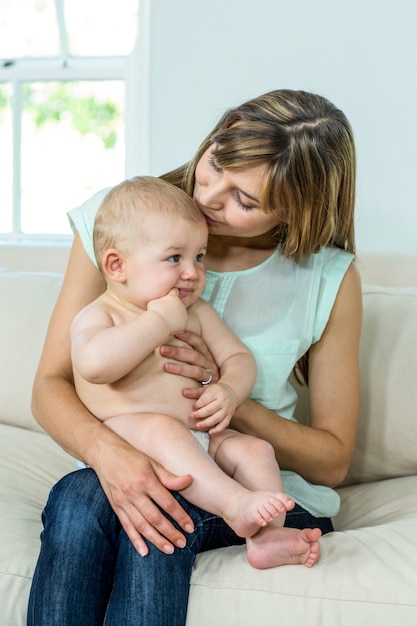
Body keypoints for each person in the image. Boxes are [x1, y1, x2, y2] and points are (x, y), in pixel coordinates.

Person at [28, 89, 362, 626]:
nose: (209, 196)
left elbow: (333, 460)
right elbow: (52, 383)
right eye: (216, 165)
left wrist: (226, 397)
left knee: (163, 511)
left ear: (296, 210)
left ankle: (262, 530)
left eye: (245, 201)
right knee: (81, 498)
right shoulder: (124, 220)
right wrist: (111, 456)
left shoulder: (327, 276)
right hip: (128, 452)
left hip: (254, 483)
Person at [71, 175, 319, 565]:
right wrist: (158, 323)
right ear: (117, 265)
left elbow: (237, 358)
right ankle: (234, 504)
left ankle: (269, 538)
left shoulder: (197, 313)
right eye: (175, 258)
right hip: (132, 439)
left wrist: (230, 391)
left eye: (199, 257)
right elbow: (95, 366)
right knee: (162, 428)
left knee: (255, 450)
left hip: (199, 440)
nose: (192, 272)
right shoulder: (102, 314)